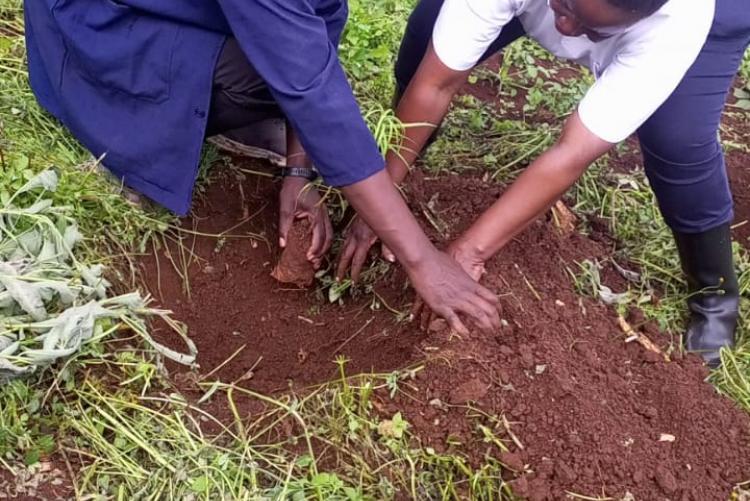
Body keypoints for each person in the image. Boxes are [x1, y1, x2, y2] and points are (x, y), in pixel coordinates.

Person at [23, 0, 502, 335]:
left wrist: (299, 171)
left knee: (287, 59)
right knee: (274, 74)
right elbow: (307, 82)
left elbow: (315, 30)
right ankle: (130, 128)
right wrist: (422, 259)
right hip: (96, 27)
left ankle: (207, 107)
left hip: (173, 12)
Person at [336, 0, 750, 367]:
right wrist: (382, 198)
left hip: (706, 16)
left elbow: (571, 152)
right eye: (565, 9)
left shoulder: (678, 23)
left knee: (677, 139)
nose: (566, 31)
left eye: (591, 29)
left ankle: (715, 294)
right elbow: (436, 82)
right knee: (426, 40)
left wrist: (468, 252)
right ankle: (402, 165)